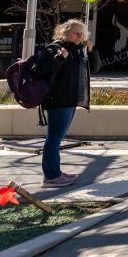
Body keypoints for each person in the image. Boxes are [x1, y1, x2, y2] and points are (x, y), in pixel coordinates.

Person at [30, 19, 100, 188]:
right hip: (58, 100)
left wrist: (92, 51)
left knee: (57, 138)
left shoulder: (78, 51)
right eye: (76, 33)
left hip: (70, 100)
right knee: (54, 139)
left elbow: (95, 68)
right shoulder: (54, 49)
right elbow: (37, 71)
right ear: (64, 33)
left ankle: (56, 172)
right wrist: (59, 58)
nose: (79, 36)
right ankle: (51, 177)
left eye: (82, 33)